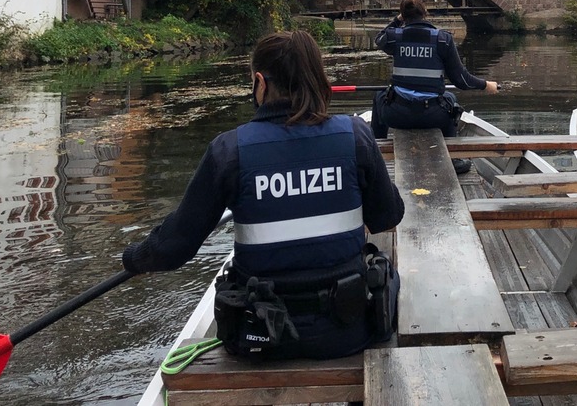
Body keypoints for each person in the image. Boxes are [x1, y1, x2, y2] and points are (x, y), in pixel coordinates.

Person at [121, 31, 404, 361]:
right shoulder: (356, 136)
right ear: (318, 78)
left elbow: (173, 248)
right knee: (387, 274)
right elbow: (388, 216)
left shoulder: (228, 151)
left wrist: (133, 258)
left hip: (258, 339)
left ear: (259, 82)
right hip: (343, 335)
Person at [372, 0, 499, 174]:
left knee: (379, 97)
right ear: (425, 13)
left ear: (403, 16)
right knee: (450, 98)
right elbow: (461, 80)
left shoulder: (394, 37)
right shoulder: (442, 39)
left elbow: (379, 39)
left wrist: (397, 19)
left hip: (397, 115)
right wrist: (486, 84)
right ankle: (452, 160)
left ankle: (375, 158)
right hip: (433, 116)